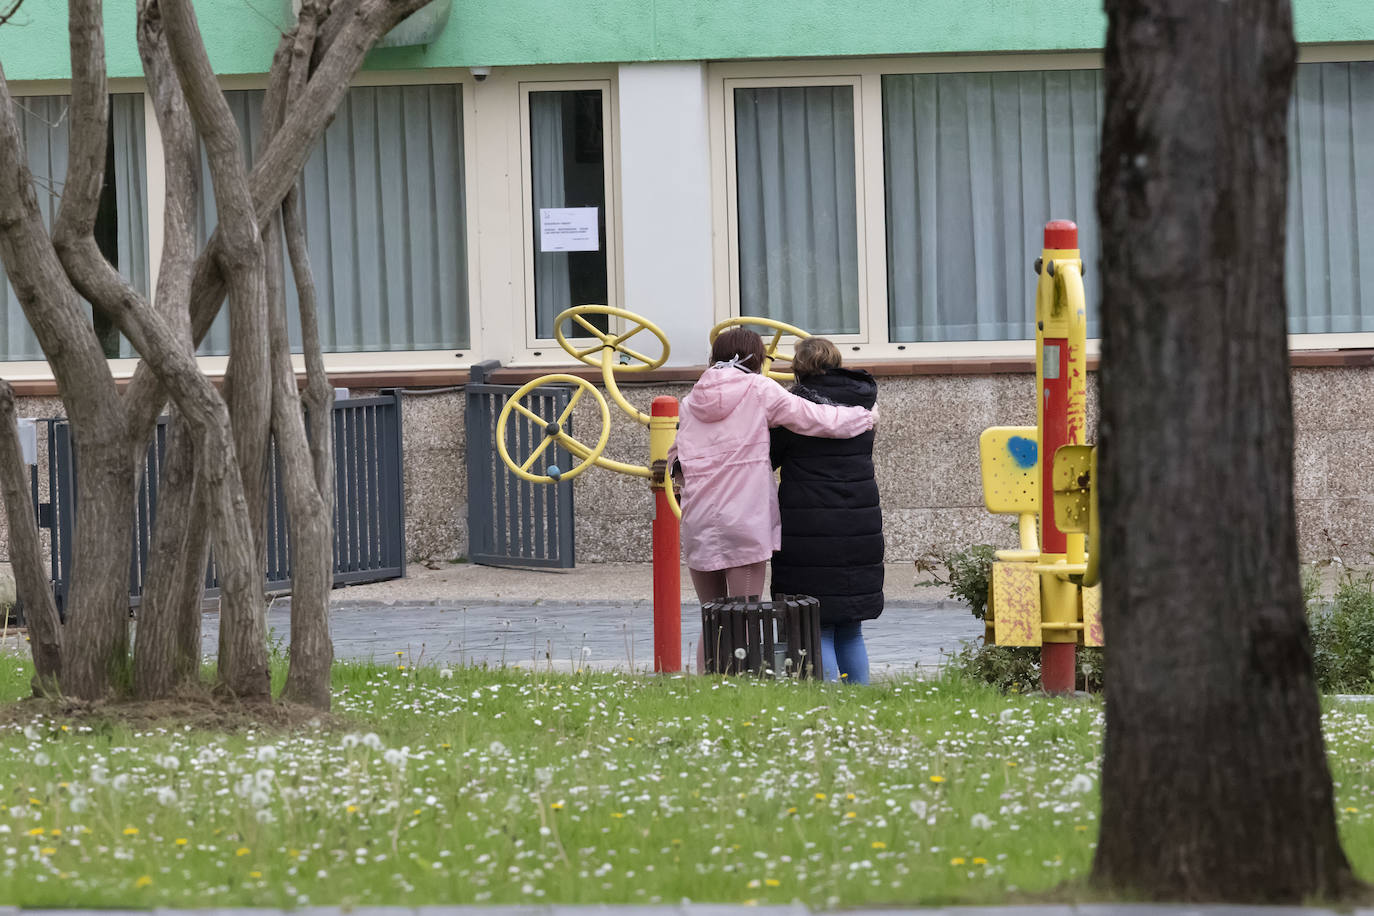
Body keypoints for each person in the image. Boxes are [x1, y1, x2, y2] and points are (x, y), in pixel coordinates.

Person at [667, 328, 876, 670]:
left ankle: (707, 689)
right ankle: (743, 687)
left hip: (699, 516)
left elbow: (678, 453)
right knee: (745, 614)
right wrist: (864, 417)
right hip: (745, 515)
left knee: (712, 615)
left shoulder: (692, 399)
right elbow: (814, 418)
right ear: (755, 358)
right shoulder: (759, 389)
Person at [770, 337, 883, 684]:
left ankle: (830, 704)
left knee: (816, 625)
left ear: (799, 367)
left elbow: (769, 457)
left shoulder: (793, 409)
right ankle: (860, 702)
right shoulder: (865, 405)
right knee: (850, 628)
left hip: (809, 526)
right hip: (860, 524)